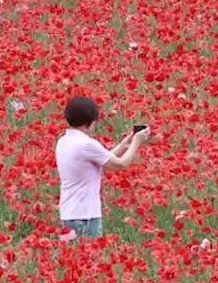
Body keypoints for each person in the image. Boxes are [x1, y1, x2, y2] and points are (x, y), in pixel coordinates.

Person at [55, 96, 149, 239]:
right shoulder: (86, 144)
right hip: (86, 215)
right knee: (88, 258)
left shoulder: (64, 141)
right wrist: (137, 142)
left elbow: (102, 160)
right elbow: (120, 164)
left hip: (69, 213)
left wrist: (123, 145)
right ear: (91, 122)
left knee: (73, 257)